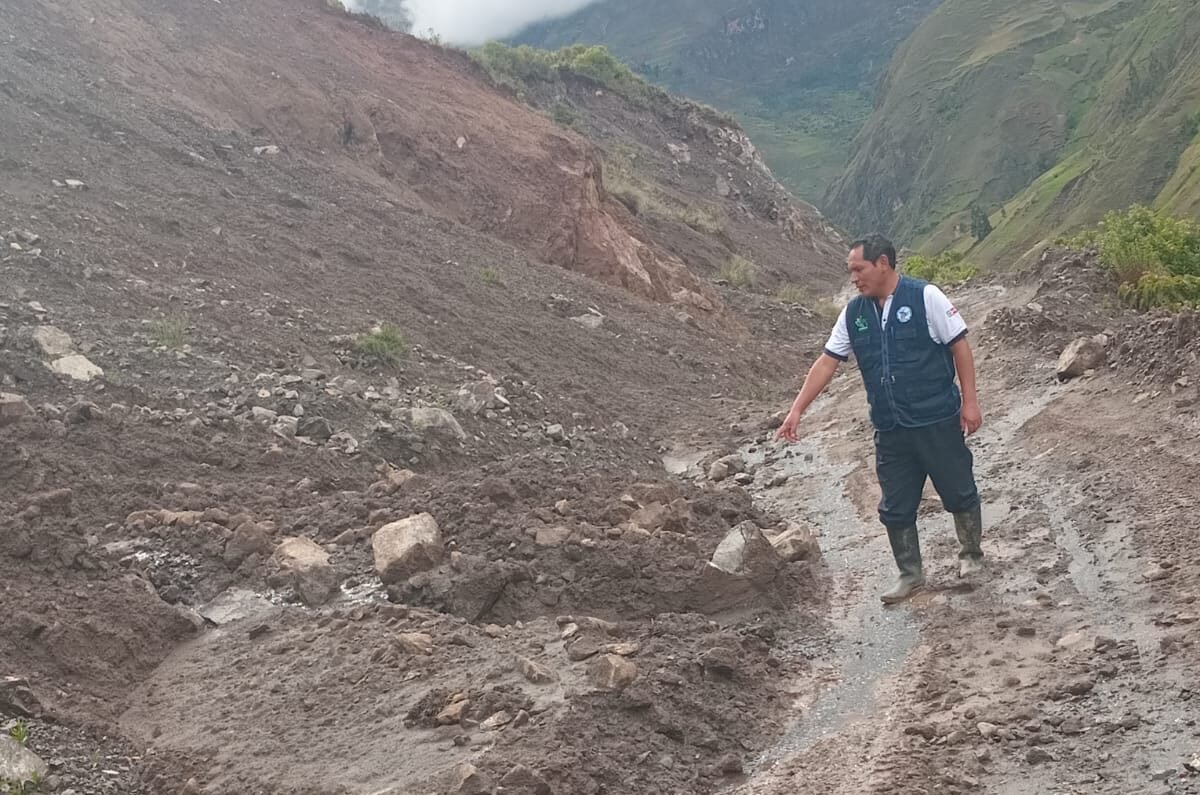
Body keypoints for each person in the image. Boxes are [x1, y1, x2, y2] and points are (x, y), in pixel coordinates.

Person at [777, 234, 984, 604]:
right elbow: (827, 362)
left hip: (936, 418)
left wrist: (970, 402)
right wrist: (797, 409)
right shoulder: (854, 314)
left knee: (958, 488)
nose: (854, 278)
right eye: (850, 271)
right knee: (895, 505)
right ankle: (910, 574)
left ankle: (971, 555)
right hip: (890, 427)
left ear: (883, 264)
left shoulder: (926, 297)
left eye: (859, 269)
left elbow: (960, 347)